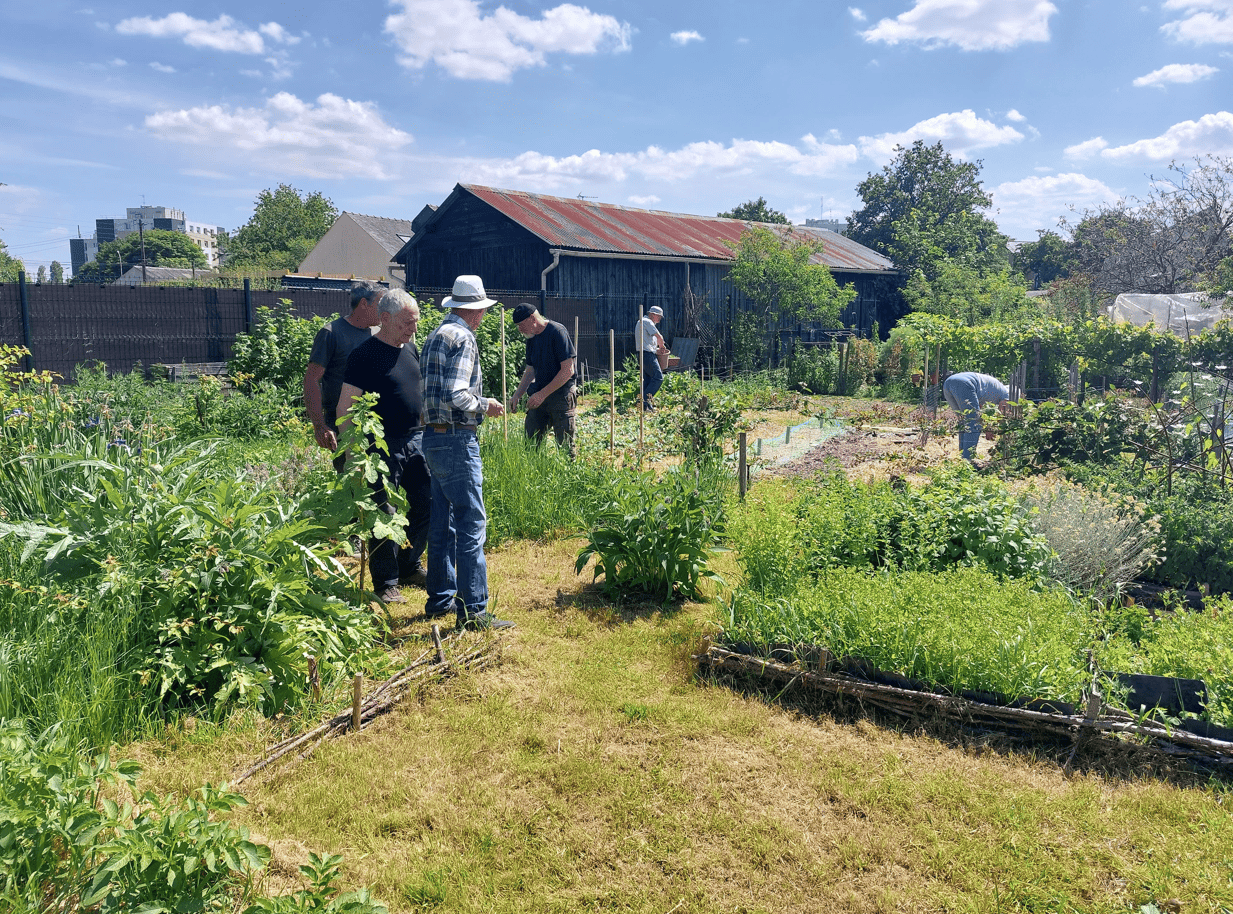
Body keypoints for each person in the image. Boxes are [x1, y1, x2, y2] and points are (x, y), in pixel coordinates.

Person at [420, 275, 515, 631]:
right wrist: (486, 404)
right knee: (471, 524)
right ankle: (473, 610)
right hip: (458, 438)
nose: (483, 317)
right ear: (475, 311)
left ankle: (440, 599)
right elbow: (457, 394)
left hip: (432, 437)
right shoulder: (464, 338)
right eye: (483, 311)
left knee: (441, 523)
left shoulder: (435, 335)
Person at [336, 290, 430, 605]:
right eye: (407, 323)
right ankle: (386, 583)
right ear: (385, 319)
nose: (413, 329)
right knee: (382, 512)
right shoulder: (364, 355)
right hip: (380, 445)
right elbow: (345, 406)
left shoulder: (411, 348)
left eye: (415, 323)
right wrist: (353, 454)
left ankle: (409, 565)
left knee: (427, 503)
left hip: (416, 439)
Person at [303, 281, 383, 471]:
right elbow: (311, 379)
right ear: (363, 304)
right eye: (380, 304)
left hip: (375, 421)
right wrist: (319, 425)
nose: (384, 310)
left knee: (378, 479)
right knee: (351, 478)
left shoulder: (378, 334)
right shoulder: (331, 333)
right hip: (343, 422)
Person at [507, 303, 578, 458]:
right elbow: (530, 370)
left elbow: (568, 370)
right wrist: (517, 395)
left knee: (565, 449)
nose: (520, 330)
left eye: (521, 325)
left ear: (532, 318)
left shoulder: (557, 332)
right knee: (531, 444)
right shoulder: (531, 338)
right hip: (539, 394)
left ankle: (568, 472)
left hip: (561, 394)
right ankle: (533, 470)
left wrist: (542, 394)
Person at [942, 371, 1011, 461]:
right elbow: (1003, 410)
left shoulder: (995, 389)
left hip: (948, 383)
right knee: (974, 423)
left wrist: (988, 427)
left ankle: (963, 457)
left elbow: (980, 410)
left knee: (963, 422)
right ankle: (967, 459)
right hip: (965, 383)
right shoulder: (1007, 394)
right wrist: (993, 428)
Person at [635, 305, 666, 410]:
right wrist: (662, 346)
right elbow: (659, 337)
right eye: (659, 316)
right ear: (652, 314)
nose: (660, 319)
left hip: (643, 354)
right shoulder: (647, 322)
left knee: (648, 380)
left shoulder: (641, 322)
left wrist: (656, 350)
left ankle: (645, 406)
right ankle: (644, 401)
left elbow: (646, 343)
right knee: (658, 378)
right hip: (647, 355)